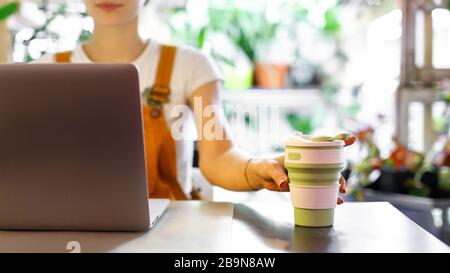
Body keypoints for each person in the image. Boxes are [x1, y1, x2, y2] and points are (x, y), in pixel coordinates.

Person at [36, 0, 351, 201]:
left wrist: (257, 168)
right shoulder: (42, 74)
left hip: (169, 232)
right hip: (67, 234)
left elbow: (218, 153)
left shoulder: (189, 66)